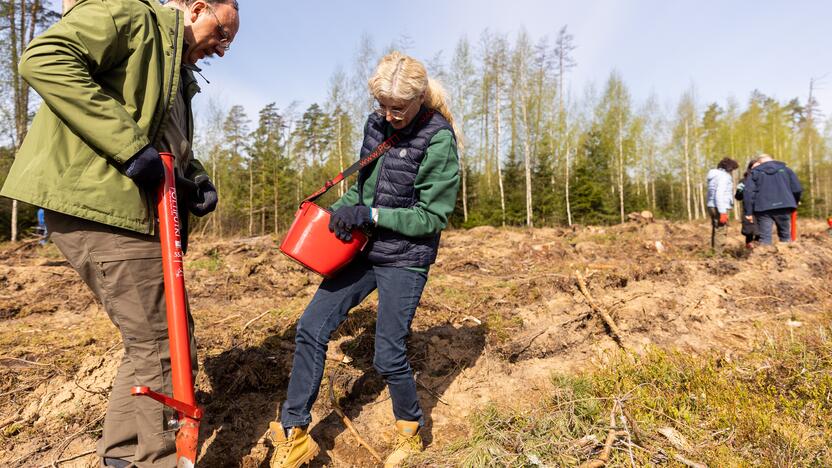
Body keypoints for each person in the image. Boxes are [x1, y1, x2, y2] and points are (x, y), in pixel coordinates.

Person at [0, 1, 239, 466]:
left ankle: (124, 455)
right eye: (222, 33)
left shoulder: (173, 67)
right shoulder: (133, 18)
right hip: (102, 209)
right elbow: (44, 58)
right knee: (165, 342)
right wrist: (129, 150)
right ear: (197, 9)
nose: (223, 49)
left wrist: (198, 177)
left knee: (152, 338)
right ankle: (159, 461)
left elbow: (162, 141)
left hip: (128, 210)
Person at [267, 51, 461, 468]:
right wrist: (344, 210)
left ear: (420, 98)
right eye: (383, 106)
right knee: (311, 328)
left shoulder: (439, 138)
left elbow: (433, 216)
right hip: (363, 250)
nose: (389, 115)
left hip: (405, 258)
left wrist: (372, 215)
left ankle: (410, 433)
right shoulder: (377, 125)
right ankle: (295, 431)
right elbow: (362, 189)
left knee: (388, 353)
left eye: (399, 108)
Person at [743, 154, 803, 245]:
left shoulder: (754, 173)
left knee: (765, 238)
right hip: (784, 206)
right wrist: (795, 201)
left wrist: (748, 212)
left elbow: (748, 192)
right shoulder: (787, 170)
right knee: (785, 235)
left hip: (763, 208)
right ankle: (787, 256)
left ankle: (766, 257)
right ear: (772, 160)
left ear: (759, 162)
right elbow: (797, 189)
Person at [706, 157, 738, 253]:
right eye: (732, 169)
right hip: (720, 206)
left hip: (711, 205)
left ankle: (713, 253)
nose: (732, 172)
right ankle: (718, 256)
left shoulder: (714, 175)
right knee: (721, 231)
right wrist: (723, 212)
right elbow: (719, 194)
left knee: (716, 230)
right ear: (729, 168)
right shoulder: (724, 177)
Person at [735, 158, 762, 248]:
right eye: (754, 167)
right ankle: (748, 253)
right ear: (750, 168)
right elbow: (738, 197)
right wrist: (740, 190)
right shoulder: (743, 181)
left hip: (762, 209)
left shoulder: (765, 180)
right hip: (748, 210)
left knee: (761, 233)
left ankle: (760, 251)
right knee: (749, 232)